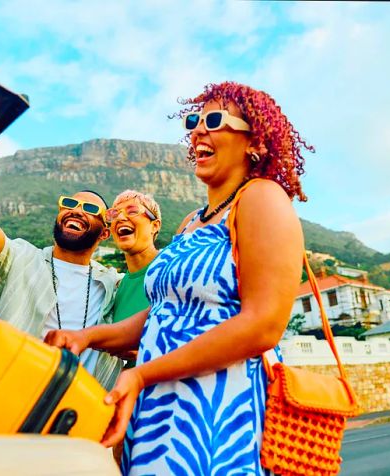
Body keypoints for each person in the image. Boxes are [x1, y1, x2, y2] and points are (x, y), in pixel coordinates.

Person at [44, 82, 309, 475]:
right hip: (158, 408)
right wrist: (89, 338)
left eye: (214, 120)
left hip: (219, 409)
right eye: (194, 121)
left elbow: (264, 325)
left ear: (255, 141)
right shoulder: (191, 223)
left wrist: (143, 373)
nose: (198, 130)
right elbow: (162, 315)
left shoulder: (262, 197)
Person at [0, 149, 123, 390]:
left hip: (80, 414)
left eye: (90, 209)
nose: (76, 210)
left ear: (105, 233)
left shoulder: (112, 284)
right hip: (7, 397)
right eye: (70, 203)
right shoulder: (19, 258)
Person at [107, 190, 162, 367]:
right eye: (115, 214)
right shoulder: (117, 286)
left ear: (155, 226)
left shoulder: (173, 270)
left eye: (132, 211)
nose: (121, 218)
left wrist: (146, 353)